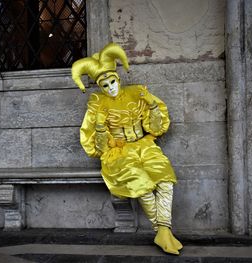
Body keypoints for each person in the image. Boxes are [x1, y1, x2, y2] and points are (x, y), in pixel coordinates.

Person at [71, 42, 183, 255]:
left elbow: (157, 129)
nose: (111, 87)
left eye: (113, 81)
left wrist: (151, 105)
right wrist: (102, 126)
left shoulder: (137, 94)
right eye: (105, 85)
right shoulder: (97, 104)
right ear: (100, 87)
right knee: (143, 186)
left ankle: (163, 231)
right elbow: (97, 146)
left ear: (118, 79)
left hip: (145, 145)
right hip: (118, 153)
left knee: (166, 181)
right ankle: (163, 231)